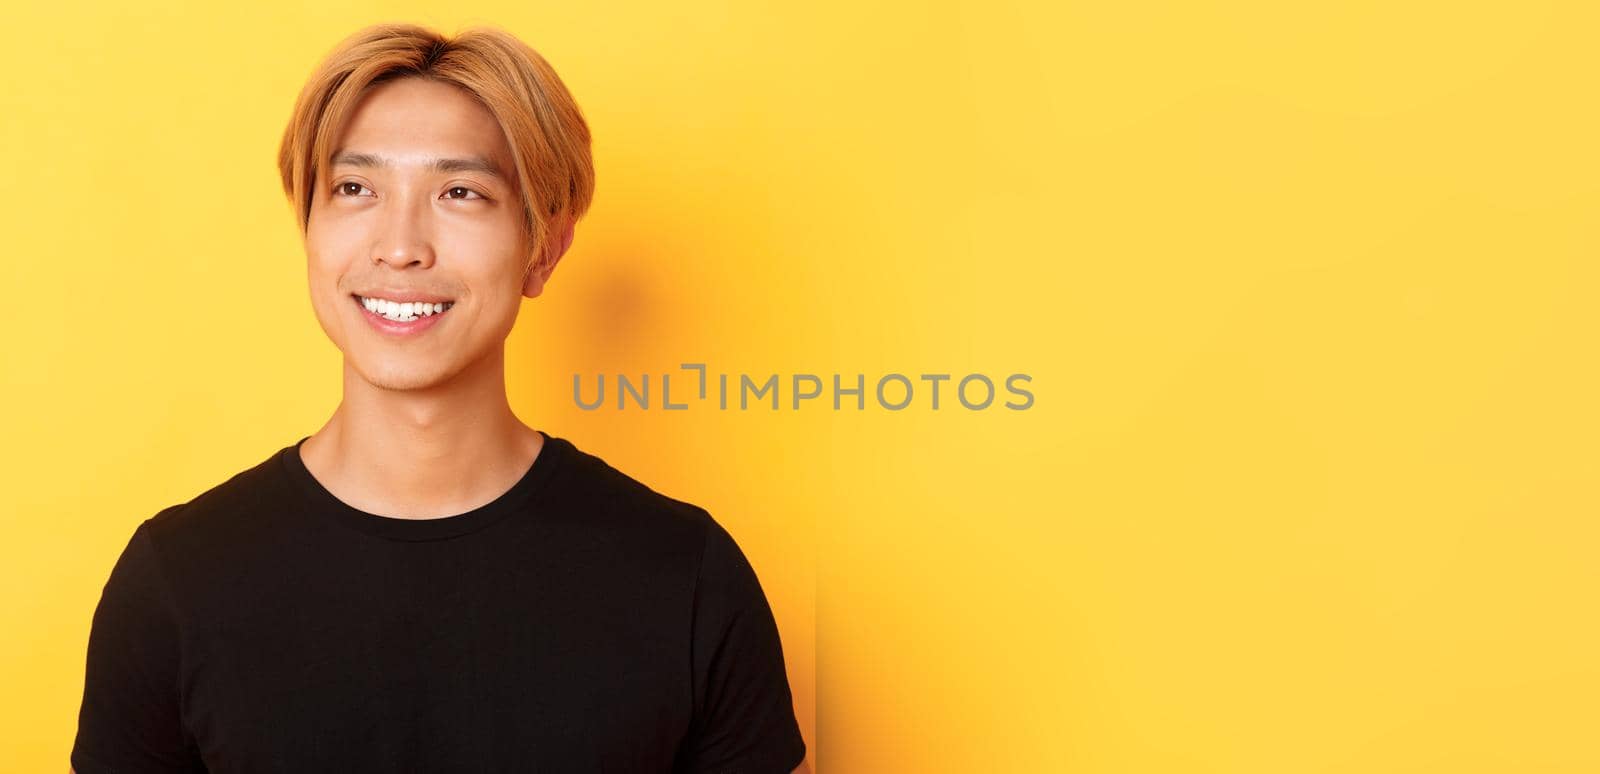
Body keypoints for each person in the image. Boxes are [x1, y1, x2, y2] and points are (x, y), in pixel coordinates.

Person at [70, 22, 810, 773]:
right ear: (309, 229)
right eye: (354, 189)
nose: (399, 245)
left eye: (460, 192)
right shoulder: (177, 582)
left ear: (544, 248)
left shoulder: (686, 579)